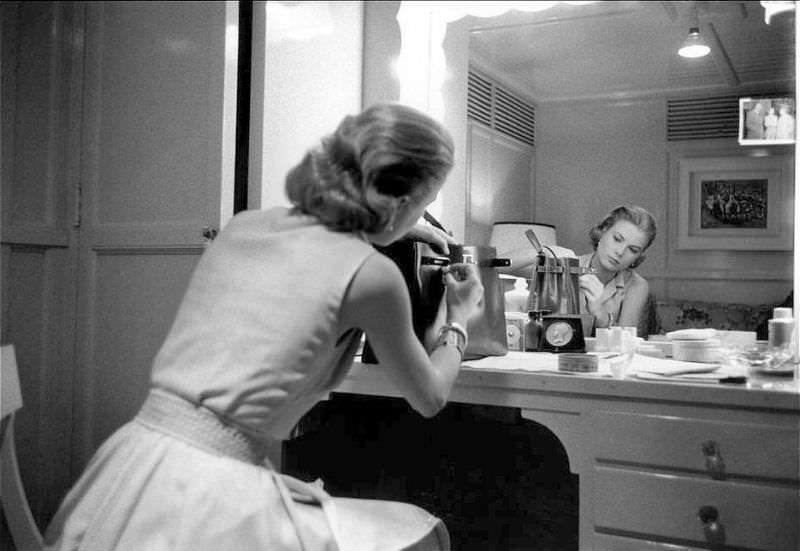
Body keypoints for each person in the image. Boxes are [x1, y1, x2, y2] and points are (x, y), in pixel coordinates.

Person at [43, 103, 484, 551]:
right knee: (423, 533)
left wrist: (388, 229)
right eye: (426, 202)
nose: (423, 215)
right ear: (403, 203)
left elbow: (309, 258)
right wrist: (458, 316)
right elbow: (429, 397)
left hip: (137, 463)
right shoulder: (372, 275)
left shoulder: (243, 226)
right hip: (208, 494)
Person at [498, 205, 657, 336]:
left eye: (633, 250)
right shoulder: (564, 264)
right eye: (617, 239)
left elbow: (626, 344)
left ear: (638, 256)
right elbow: (496, 265)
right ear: (603, 231)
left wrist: (600, 313)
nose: (620, 252)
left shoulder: (636, 285)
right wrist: (544, 251)